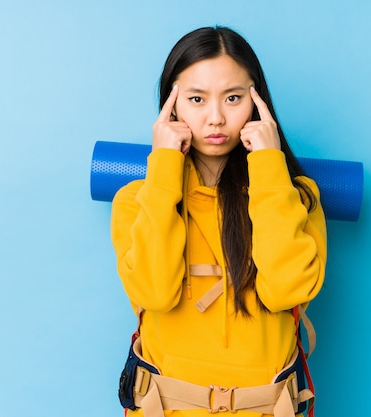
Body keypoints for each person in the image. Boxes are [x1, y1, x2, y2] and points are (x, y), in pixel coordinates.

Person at [111, 26, 327, 417]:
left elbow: (286, 291)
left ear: (257, 103)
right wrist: (163, 168)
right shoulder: (136, 200)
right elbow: (154, 293)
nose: (215, 118)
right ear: (171, 107)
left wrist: (268, 166)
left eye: (233, 98)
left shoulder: (296, 195)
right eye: (196, 99)